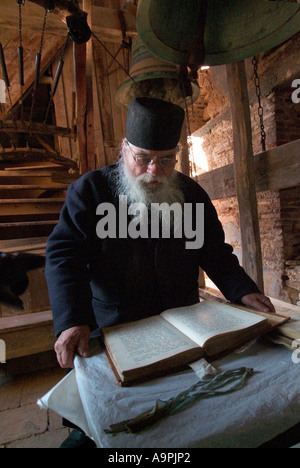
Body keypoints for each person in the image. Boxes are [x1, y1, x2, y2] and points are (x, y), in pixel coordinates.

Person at [45, 97, 275, 447]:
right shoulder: (90, 192)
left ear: (176, 155)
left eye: (166, 160)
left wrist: (242, 289)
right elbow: (64, 256)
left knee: (193, 419)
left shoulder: (192, 196)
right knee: (99, 429)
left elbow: (214, 253)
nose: (154, 171)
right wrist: (71, 318)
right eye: (143, 159)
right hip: (113, 330)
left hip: (184, 328)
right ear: (124, 150)